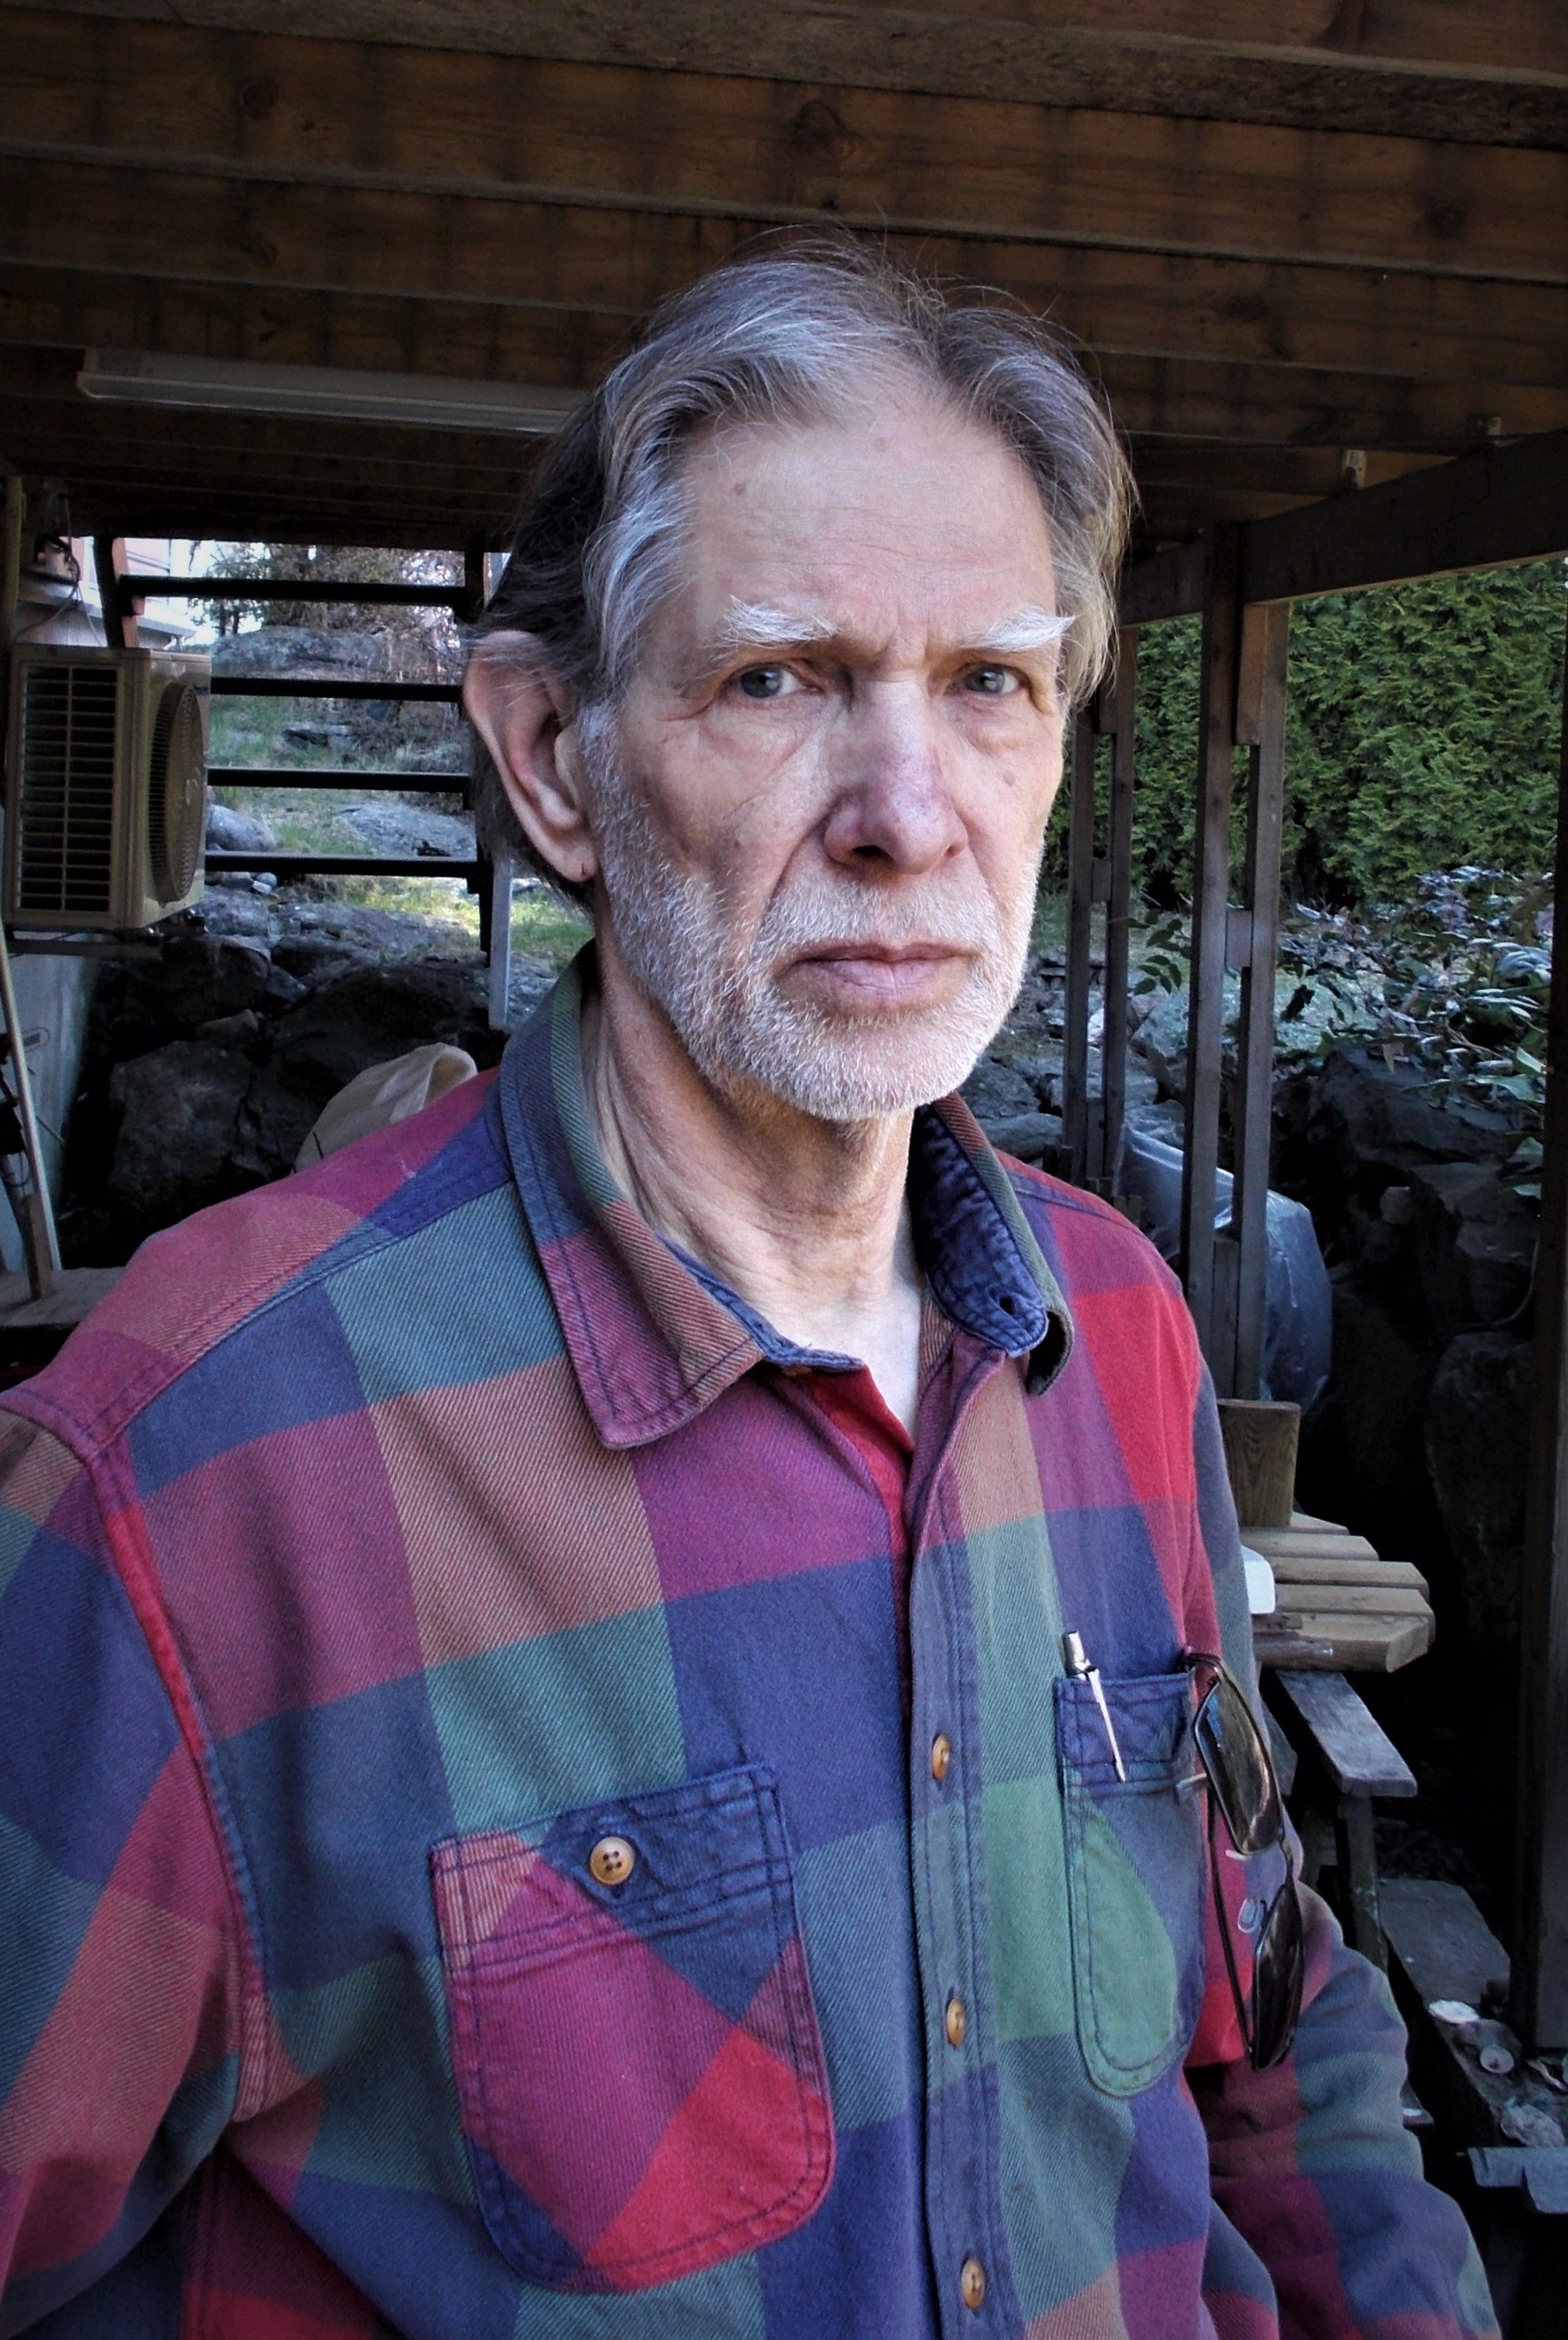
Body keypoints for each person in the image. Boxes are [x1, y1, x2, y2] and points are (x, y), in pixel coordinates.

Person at [0, 245, 1496, 2340]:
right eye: (779, 679)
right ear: (553, 760)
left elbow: (1264, 2000)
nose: (910, 817)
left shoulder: (1116, 1332)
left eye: (990, 684)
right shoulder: (194, 1471)